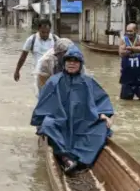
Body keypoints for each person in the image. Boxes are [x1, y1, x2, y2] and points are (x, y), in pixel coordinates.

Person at [31, 46, 114, 174]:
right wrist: (41, 121)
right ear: (64, 63)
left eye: (75, 61)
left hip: (83, 122)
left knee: (102, 126)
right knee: (47, 124)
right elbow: (43, 104)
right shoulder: (54, 81)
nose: (71, 63)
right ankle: (65, 157)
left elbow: (100, 100)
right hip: (60, 122)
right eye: (69, 60)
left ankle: (82, 161)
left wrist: (103, 114)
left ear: (80, 64)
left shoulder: (88, 81)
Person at [14, 19, 59, 96]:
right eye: (43, 32)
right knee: (39, 95)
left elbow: (63, 55)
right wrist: (17, 71)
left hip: (53, 73)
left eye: (47, 32)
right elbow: (23, 57)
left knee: (54, 95)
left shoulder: (56, 39)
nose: (45, 34)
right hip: (38, 73)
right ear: (38, 29)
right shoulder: (31, 40)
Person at [118, 23, 140, 101]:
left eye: (131, 31)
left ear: (136, 31)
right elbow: (121, 53)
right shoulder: (123, 39)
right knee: (126, 101)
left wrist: (130, 48)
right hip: (127, 77)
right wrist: (135, 49)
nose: (128, 33)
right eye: (127, 31)